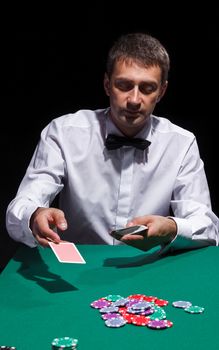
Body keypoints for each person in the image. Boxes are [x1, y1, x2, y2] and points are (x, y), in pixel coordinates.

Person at [6, 32, 219, 253]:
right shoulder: (63, 132)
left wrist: (172, 228)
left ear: (161, 91)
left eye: (147, 88)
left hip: (149, 266)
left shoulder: (182, 143)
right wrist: (34, 215)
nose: (135, 100)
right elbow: (22, 205)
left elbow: (207, 227)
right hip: (78, 271)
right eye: (124, 85)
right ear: (107, 85)